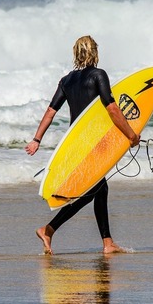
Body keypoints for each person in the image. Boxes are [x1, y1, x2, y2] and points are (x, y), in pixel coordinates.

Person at [25, 35, 140, 256]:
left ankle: (108, 243)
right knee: (91, 192)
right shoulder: (99, 75)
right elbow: (112, 109)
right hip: (93, 144)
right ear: (95, 52)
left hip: (75, 143)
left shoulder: (66, 80)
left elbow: (50, 112)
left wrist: (37, 139)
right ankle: (48, 229)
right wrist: (131, 135)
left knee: (100, 188)